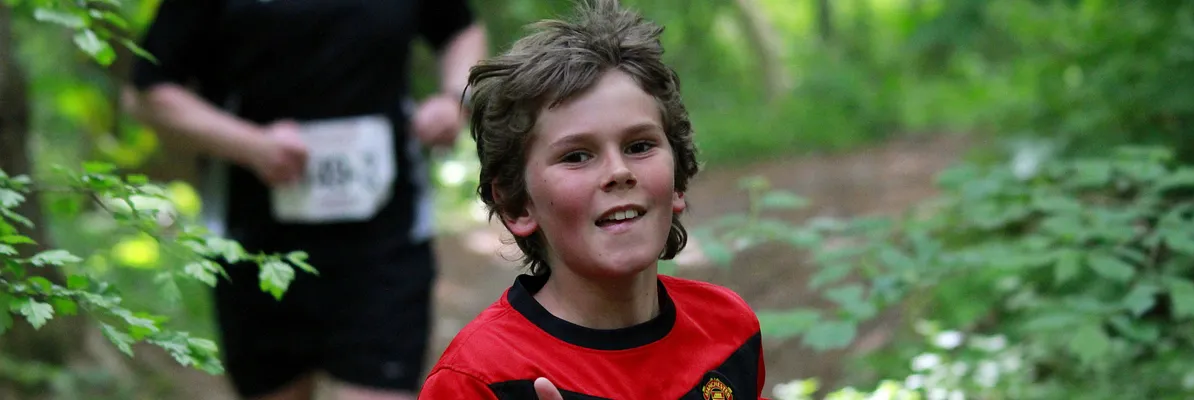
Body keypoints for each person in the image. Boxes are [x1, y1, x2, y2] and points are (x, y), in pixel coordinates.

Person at [122, 0, 487, 399]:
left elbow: (461, 30)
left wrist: (455, 99)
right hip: (255, 246)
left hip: (385, 238)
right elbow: (148, 91)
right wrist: (251, 146)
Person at [418, 0, 767, 399]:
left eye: (639, 146)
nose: (619, 171)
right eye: (577, 156)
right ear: (516, 204)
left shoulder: (728, 328)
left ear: (677, 181)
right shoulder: (476, 380)